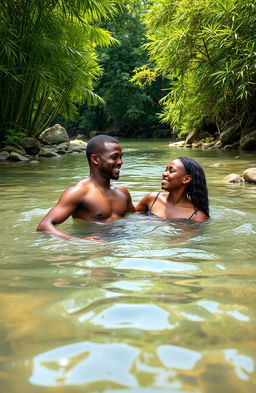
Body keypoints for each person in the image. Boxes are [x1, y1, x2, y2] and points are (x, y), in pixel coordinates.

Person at [37, 135, 135, 240]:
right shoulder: (78, 193)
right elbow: (44, 226)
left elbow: (136, 218)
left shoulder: (122, 192)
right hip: (94, 251)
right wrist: (79, 241)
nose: (120, 162)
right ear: (95, 159)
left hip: (121, 244)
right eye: (114, 157)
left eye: (120, 157)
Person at [136, 157, 209, 221]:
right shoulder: (152, 199)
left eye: (171, 171)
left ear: (186, 179)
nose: (164, 174)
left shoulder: (197, 216)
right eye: (165, 170)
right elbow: (131, 219)